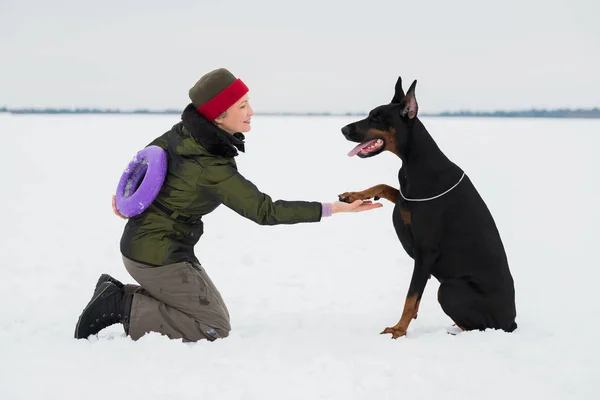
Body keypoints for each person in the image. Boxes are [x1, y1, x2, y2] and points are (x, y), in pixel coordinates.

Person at [74, 68, 382, 342]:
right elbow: (265, 211)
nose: (251, 111)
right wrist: (335, 208)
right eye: (242, 106)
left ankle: (118, 294)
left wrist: (126, 203)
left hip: (158, 246)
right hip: (156, 255)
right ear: (219, 116)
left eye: (248, 102)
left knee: (215, 313)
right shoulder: (211, 166)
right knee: (212, 327)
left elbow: (146, 161)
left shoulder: (182, 134)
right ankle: (118, 304)